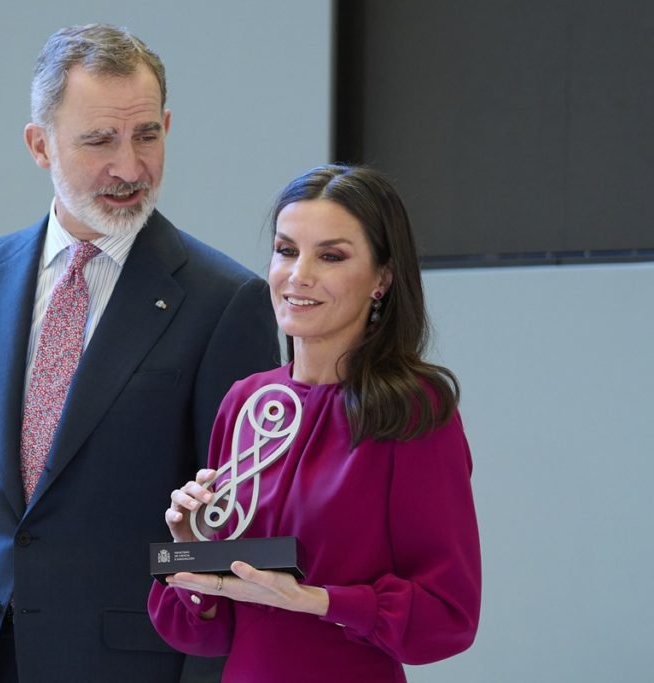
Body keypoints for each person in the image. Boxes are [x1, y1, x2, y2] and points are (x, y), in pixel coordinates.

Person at [0, 23, 280, 683]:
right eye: (98, 140)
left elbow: (238, 545)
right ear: (39, 144)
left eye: (147, 134)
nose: (129, 167)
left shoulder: (226, 302)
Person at [148, 164, 482, 682]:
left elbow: (447, 615)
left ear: (383, 278)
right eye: (286, 250)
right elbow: (200, 632)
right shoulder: (246, 401)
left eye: (330, 256)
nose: (298, 275)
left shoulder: (412, 408)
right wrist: (191, 547)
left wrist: (316, 601)